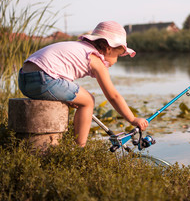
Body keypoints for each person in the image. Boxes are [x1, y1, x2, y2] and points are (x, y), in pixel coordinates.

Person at [18, 21, 148, 147]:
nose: (117, 60)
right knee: (88, 101)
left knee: (81, 98)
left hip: (24, 80)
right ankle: (79, 147)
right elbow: (113, 96)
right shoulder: (95, 59)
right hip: (44, 80)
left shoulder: (78, 47)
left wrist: (67, 97)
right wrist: (133, 119)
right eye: (118, 55)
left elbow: (58, 70)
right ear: (108, 49)